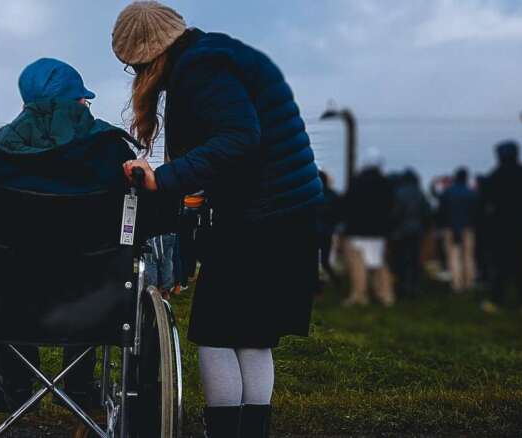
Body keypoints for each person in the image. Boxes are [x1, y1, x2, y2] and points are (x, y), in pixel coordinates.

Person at [112, 2, 323, 436]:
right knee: (252, 334)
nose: (138, 78)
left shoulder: (200, 69)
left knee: (214, 331)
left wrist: (163, 178)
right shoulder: (217, 55)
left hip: (260, 217)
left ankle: (225, 430)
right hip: (289, 213)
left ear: (152, 57)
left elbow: (239, 138)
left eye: (137, 68)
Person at [0, 58, 146, 414]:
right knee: (90, 275)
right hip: (96, 300)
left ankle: (16, 385)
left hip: (9, 301)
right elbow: (147, 217)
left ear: (26, 103)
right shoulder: (112, 151)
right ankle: (80, 386)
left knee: (4, 277)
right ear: (78, 102)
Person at [479, 141, 522, 314]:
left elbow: (485, 200)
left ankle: (497, 300)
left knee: (500, 264)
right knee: (520, 264)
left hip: (500, 224)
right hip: (521, 222)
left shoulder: (496, 175)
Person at [341, 149, 395, 307]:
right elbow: (390, 206)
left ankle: (359, 295)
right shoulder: (385, 183)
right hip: (378, 232)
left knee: (358, 264)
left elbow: (347, 205)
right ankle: (386, 295)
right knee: (379, 264)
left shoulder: (356, 181)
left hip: (357, 231)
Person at [389, 168, 431, 298]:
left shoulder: (399, 192)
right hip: (417, 231)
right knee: (414, 259)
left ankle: (404, 286)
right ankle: (415, 286)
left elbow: (395, 213)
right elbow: (427, 213)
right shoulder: (420, 193)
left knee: (402, 259)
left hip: (401, 231)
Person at [439, 167, 479, 293]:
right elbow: (476, 212)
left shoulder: (447, 192)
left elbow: (442, 211)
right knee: (469, 256)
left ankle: (457, 285)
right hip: (468, 228)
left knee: (453, 257)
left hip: (450, 228)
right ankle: (469, 283)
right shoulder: (472, 193)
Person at [316, 170, 341, 289]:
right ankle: (336, 282)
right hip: (327, 232)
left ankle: (319, 285)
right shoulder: (334, 195)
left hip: (313, 232)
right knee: (325, 261)